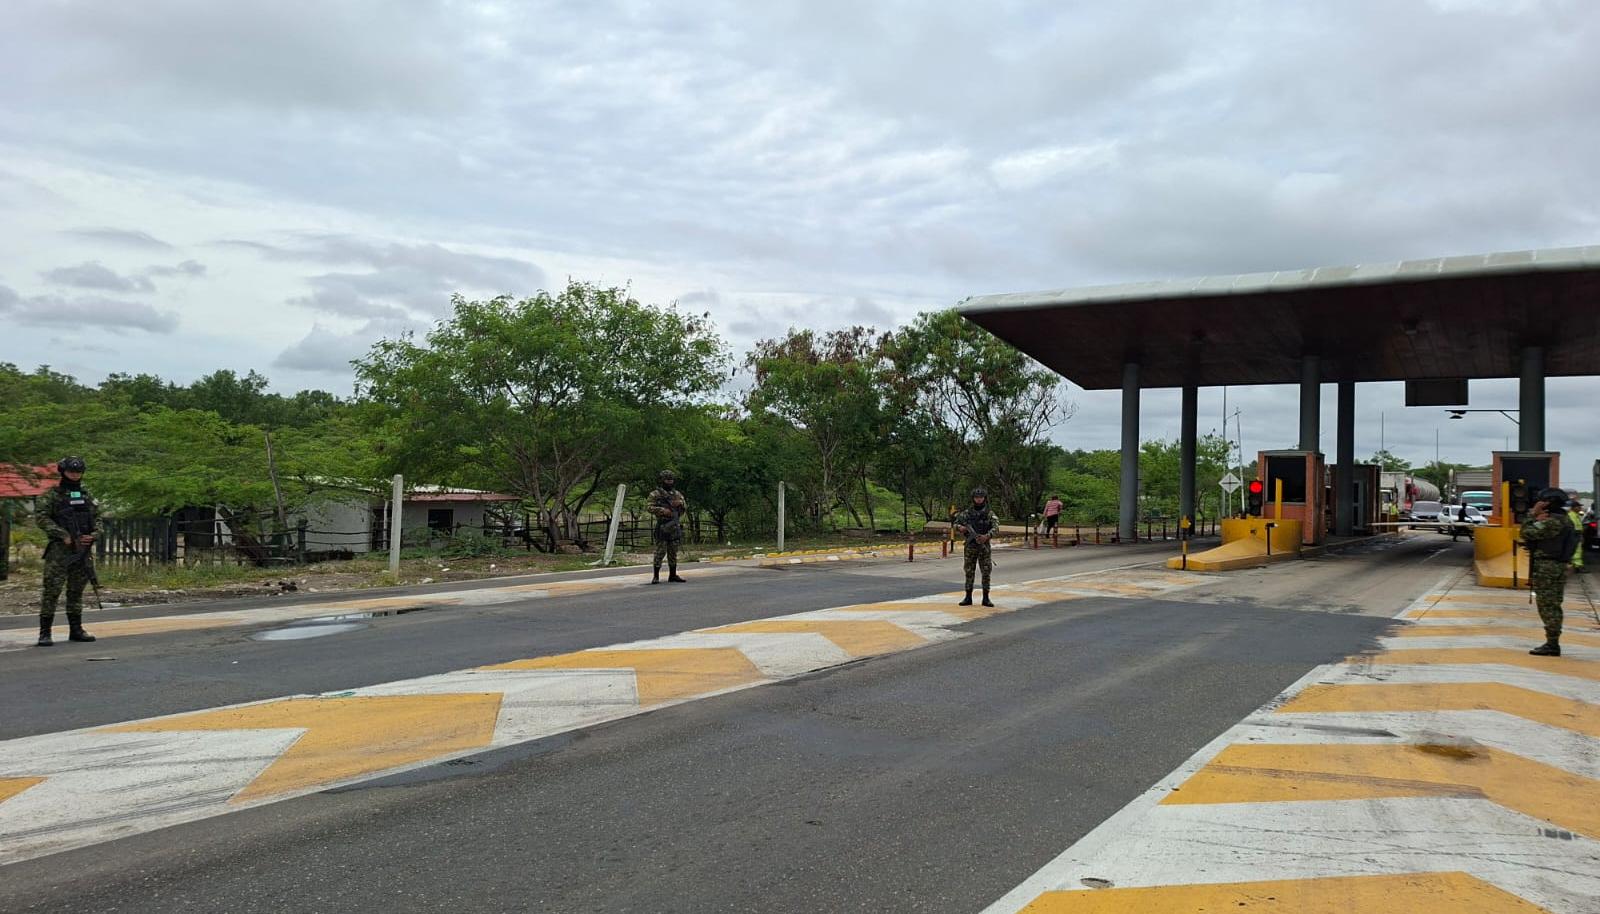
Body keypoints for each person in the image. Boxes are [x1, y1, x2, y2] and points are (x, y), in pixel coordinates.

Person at [35, 456, 98, 646]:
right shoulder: (52, 495)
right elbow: (42, 518)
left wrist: (94, 535)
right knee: (52, 591)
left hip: (82, 550)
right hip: (59, 551)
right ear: (63, 472)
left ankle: (76, 630)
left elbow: (98, 518)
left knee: (76, 591)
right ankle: (45, 633)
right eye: (71, 471)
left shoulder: (86, 494)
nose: (75, 475)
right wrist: (62, 534)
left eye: (78, 472)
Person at [1520, 487, 1576, 657]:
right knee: (1552, 605)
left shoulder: (1553, 522)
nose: (1538, 503)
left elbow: (1526, 533)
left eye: (1541, 502)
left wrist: (1532, 515)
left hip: (1548, 567)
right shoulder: (1563, 519)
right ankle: (1552, 642)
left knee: (1548, 606)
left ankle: (1552, 644)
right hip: (1555, 566)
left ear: (1548, 503)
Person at [953, 487, 995, 608]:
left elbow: (996, 527)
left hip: (983, 546)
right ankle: (968, 597)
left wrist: (987, 536)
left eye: (981, 497)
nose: (979, 499)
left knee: (986, 572)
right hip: (970, 546)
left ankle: (986, 598)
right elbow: (955, 523)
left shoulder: (989, 513)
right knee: (969, 571)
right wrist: (960, 528)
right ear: (973, 498)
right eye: (976, 497)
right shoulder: (967, 513)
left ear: (984, 498)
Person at [646, 469, 687, 584]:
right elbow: (649, 507)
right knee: (660, 552)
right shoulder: (655, 494)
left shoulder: (677, 494)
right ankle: (656, 576)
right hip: (663, 526)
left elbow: (684, 506)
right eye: (667, 480)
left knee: (673, 552)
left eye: (671, 480)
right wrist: (662, 510)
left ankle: (673, 575)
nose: (669, 482)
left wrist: (680, 504)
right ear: (662, 480)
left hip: (674, 525)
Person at [1568, 499, 1586, 574]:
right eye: (1578, 507)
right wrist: (1579, 535)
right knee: (1577, 551)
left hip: (1576, 535)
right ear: (1574, 507)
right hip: (1575, 535)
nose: (1580, 508)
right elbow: (1574, 527)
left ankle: (1575, 566)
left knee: (1577, 550)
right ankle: (1578, 566)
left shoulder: (1576, 515)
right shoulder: (1572, 515)